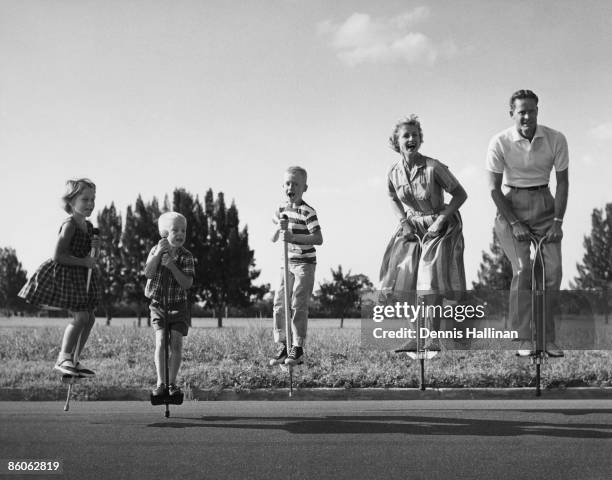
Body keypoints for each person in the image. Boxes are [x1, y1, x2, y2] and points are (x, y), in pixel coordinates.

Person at [487, 89, 568, 357]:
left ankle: (546, 338)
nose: (527, 116)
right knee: (523, 269)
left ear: (537, 111)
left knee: (552, 272)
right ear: (512, 113)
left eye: (532, 110)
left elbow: (563, 182)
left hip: (545, 203)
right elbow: (494, 190)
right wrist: (514, 223)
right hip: (511, 207)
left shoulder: (555, 138)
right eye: (521, 111)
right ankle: (523, 338)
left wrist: (558, 220)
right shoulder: (499, 142)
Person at [380, 115, 467, 352]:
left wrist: (440, 220)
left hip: (440, 225)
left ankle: (433, 339)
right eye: (405, 136)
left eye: (415, 135)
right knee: (403, 277)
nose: (411, 139)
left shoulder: (433, 167)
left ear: (420, 139)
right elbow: (392, 198)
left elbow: (460, 194)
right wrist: (403, 221)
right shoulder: (393, 171)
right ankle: (416, 336)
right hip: (411, 226)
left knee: (429, 281)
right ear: (396, 142)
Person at [19, 178, 101, 377]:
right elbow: (58, 255)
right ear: (71, 202)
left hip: (81, 277)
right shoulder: (70, 224)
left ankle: (74, 360)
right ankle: (63, 357)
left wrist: (95, 251)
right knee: (81, 316)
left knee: (89, 318)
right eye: (85, 200)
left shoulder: (89, 227)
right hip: (67, 275)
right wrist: (84, 262)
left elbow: (90, 258)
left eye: (93, 199)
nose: (90, 204)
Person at [269, 166, 323, 367]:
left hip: (305, 264)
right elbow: (274, 236)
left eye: (296, 184)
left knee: (298, 305)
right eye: (288, 183)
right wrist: (279, 230)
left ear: (304, 188)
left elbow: (318, 238)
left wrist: (293, 237)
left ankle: (298, 347)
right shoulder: (281, 210)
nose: (291, 187)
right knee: (279, 303)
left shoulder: (308, 212)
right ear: (283, 186)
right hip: (287, 263)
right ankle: (283, 344)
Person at [144, 212, 195, 397]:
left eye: (183, 230)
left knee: (176, 343)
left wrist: (172, 266)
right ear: (164, 233)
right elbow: (148, 273)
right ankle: (161, 382)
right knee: (161, 341)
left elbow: (187, 283)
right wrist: (158, 254)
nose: (180, 234)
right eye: (175, 230)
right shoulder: (155, 250)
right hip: (158, 304)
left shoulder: (186, 256)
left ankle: (172, 383)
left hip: (178, 305)